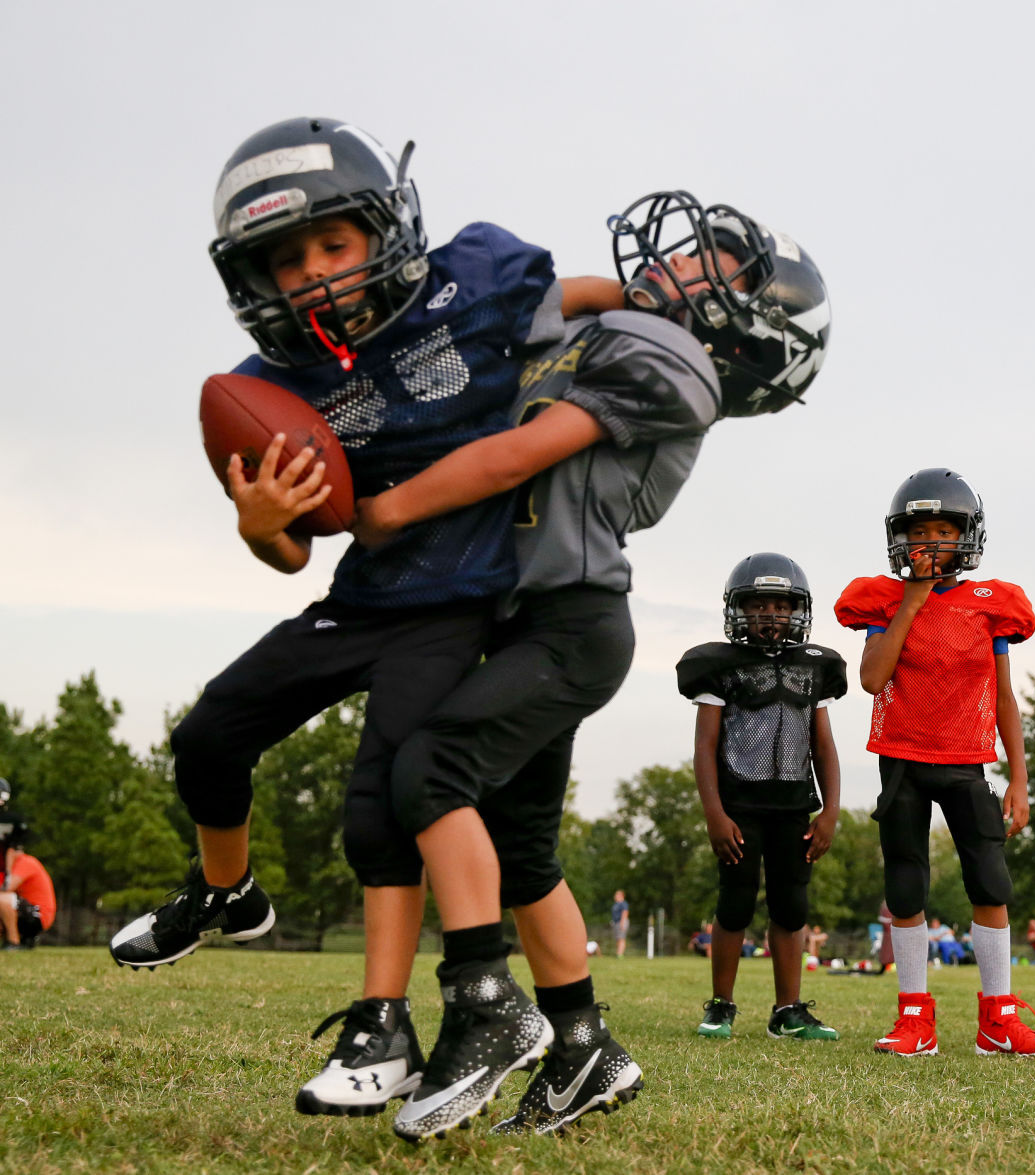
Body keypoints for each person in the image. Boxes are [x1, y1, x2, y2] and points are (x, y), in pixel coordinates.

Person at [107, 117, 618, 1116]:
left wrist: (658, 304)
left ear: (383, 228)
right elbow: (292, 548)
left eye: (330, 243)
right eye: (284, 259)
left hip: (462, 598)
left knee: (380, 798)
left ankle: (384, 1019)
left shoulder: (466, 291)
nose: (310, 272)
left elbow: (575, 300)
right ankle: (228, 891)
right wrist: (258, 523)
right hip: (365, 594)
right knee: (207, 735)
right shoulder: (265, 389)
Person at [360, 193, 830, 1140]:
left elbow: (513, 451)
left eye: (718, 269)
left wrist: (390, 505)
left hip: (566, 626)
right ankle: (583, 1047)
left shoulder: (669, 377)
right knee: (524, 850)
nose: (688, 264)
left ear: (745, 330)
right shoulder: (615, 336)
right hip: (520, 617)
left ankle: (487, 1006)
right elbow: (522, 309)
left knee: (431, 769)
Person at [835, 469, 1035, 1058]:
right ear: (899, 540)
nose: (930, 543)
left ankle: (997, 1019)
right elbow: (871, 677)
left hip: (967, 759)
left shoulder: (993, 605)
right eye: (919, 532)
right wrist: (911, 600)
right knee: (906, 885)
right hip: (902, 758)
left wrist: (1020, 777)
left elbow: (1005, 697)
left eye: (943, 531)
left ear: (967, 537)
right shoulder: (882, 599)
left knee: (990, 881)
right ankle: (915, 1017)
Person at [680, 553, 844, 1043]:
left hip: (794, 807)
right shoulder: (717, 665)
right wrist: (714, 814)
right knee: (734, 903)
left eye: (780, 604)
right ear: (738, 609)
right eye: (758, 604)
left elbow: (824, 745)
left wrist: (831, 810)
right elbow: (704, 746)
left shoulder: (816, 667)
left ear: (798, 609)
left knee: (791, 906)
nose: (771, 614)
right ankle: (721, 1005)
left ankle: (788, 1010)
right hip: (738, 808)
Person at [0, 814, 53, 950]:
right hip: (26, 911)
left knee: (2, 898)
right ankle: (24, 940)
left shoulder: (26, 862)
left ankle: (14, 942)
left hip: (38, 916)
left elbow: (6, 887)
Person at [612, 890, 631, 959]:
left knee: (621, 938)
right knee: (618, 939)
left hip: (621, 922)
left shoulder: (623, 903)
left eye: (617, 895)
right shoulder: (616, 904)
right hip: (616, 922)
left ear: (621, 896)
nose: (615, 896)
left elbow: (625, 913)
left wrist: (622, 923)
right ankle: (618, 953)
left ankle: (620, 954)